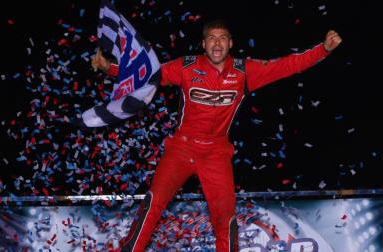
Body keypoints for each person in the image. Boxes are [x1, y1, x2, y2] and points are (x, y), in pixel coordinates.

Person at [90, 19, 342, 252]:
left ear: (230, 43)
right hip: (181, 149)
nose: (217, 43)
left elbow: (287, 65)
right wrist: (109, 68)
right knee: (152, 204)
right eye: (211, 38)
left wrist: (324, 49)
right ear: (204, 44)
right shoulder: (186, 66)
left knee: (225, 218)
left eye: (222, 38)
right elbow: (145, 75)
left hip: (216, 154)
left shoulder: (244, 71)